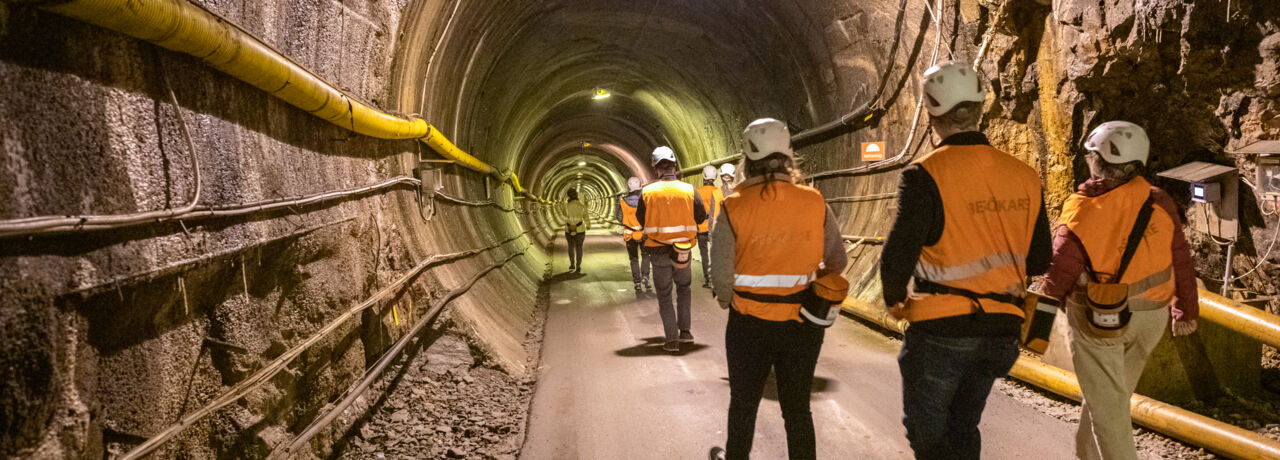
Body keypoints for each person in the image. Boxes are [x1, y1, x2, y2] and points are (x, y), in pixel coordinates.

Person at [879, 61, 1052, 460]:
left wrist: (894, 300)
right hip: (1002, 329)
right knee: (963, 425)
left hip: (942, 329)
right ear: (979, 108)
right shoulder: (1024, 175)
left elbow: (899, 252)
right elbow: (1040, 258)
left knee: (928, 433)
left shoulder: (924, 174)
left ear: (932, 113)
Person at [1041, 121, 1198, 460]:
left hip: (1101, 323)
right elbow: (1181, 259)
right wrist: (1185, 309)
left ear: (1096, 161)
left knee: (1109, 413)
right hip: (1151, 321)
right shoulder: (1160, 202)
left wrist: (1033, 331)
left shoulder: (1082, 210)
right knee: (1109, 398)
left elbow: (1057, 275)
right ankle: (1086, 454)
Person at [706, 118, 848, 460]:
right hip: (801, 323)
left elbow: (722, 277)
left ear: (747, 158)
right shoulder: (814, 202)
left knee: (743, 405)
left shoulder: (734, 206)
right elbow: (837, 260)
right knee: (797, 409)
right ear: (788, 155)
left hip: (748, 323)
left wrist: (730, 300)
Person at [637, 146, 707, 352]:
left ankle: (671, 339)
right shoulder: (689, 190)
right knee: (684, 290)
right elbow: (701, 216)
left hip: (658, 251)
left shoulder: (647, 192)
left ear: (656, 168)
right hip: (683, 250)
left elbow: (642, 219)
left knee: (665, 295)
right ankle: (685, 333)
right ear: (674, 166)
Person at [620, 176, 653, 292]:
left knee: (633, 258)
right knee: (646, 255)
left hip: (629, 234)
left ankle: (637, 282)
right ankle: (645, 276)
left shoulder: (622, 201)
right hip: (644, 233)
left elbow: (619, 218)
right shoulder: (645, 200)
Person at [697, 165, 725, 288]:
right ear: (716, 177)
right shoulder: (718, 192)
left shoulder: (698, 192)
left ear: (703, 177)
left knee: (704, 254)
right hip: (714, 226)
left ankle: (707, 279)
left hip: (702, 226)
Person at [563, 188, 590, 274]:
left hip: (569, 229)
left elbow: (564, 214)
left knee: (571, 247)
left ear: (568, 196)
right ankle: (578, 266)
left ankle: (572, 265)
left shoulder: (566, 206)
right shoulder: (582, 206)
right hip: (580, 229)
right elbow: (586, 216)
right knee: (579, 248)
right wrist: (588, 225)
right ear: (577, 195)